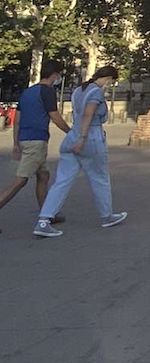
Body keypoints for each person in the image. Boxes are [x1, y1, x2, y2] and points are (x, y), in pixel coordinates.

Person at [33, 66, 127, 238]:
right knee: (100, 178)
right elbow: (88, 115)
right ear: (108, 79)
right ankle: (107, 216)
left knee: (62, 181)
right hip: (90, 137)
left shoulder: (78, 90)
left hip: (71, 136)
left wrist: (76, 136)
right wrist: (82, 138)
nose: (110, 85)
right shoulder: (96, 93)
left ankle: (44, 220)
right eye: (111, 82)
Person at [0, 59, 71, 233]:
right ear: (54, 75)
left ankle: (47, 212)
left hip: (25, 139)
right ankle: (45, 218)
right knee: (20, 180)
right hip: (37, 140)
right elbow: (55, 116)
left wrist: (16, 144)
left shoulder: (27, 92)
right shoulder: (47, 92)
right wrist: (71, 132)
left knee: (43, 175)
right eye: (59, 75)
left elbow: (17, 120)